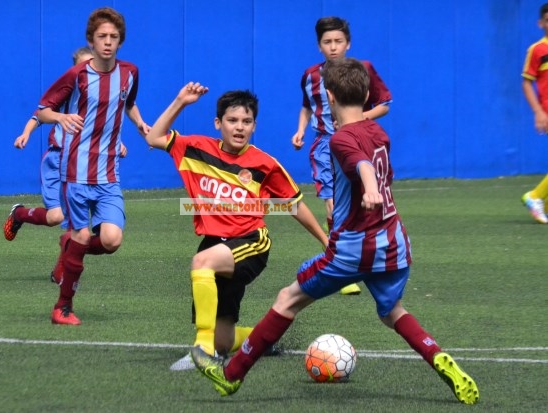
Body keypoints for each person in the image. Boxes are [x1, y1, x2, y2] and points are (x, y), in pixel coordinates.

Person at [191, 58, 480, 405]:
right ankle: (437, 356)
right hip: (393, 243)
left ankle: (231, 375)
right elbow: (371, 163)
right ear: (368, 95)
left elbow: (361, 164)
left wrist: (369, 189)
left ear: (328, 96)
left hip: (354, 247)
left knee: (287, 299)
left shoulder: (340, 139)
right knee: (393, 311)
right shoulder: (379, 133)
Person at [144, 82, 328, 369]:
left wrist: (326, 242)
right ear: (218, 123)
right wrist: (180, 101)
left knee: (202, 262)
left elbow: (294, 205)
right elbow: (154, 137)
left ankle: (202, 350)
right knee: (224, 339)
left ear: (254, 126)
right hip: (214, 243)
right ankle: (260, 339)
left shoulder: (265, 164)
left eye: (246, 121)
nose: (239, 127)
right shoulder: (195, 149)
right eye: (232, 120)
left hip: (251, 242)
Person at [35, 7, 150, 325]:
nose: (108, 42)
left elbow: (128, 102)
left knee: (111, 240)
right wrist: (61, 117)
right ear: (91, 40)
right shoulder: (77, 75)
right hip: (75, 172)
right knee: (83, 235)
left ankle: (71, 246)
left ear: (121, 40)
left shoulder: (130, 72)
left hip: (109, 173)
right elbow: (43, 110)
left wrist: (141, 124)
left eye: (114, 36)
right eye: (102, 36)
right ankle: (62, 307)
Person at [3, 47, 128, 283]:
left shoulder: (99, 97)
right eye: (83, 65)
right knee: (55, 217)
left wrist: (118, 145)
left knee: (73, 225)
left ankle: (61, 270)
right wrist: (26, 133)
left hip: (85, 164)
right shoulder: (69, 89)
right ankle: (19, 214)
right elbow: (39, 114)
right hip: (57, 160)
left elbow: (103, 130)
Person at [291, 17, 393, 295]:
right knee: (332, 205)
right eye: (327, 42)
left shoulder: (363, 69)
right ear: (319, 46)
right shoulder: (310, 76)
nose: (333, 47)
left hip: (358, 141)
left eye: (338, 41)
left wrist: (357, 119)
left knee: (361, 203)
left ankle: (366, 256)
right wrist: (300, 130)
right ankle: (339, 263)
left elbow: (384, 104)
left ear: (348, 43)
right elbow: (307, 107)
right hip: (325, 145)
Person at [521, 3, 548, 224]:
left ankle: (542, 203)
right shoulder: (537, 49)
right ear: (541, 23)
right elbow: (526, 83)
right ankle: (535, 196)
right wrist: (538, 112)